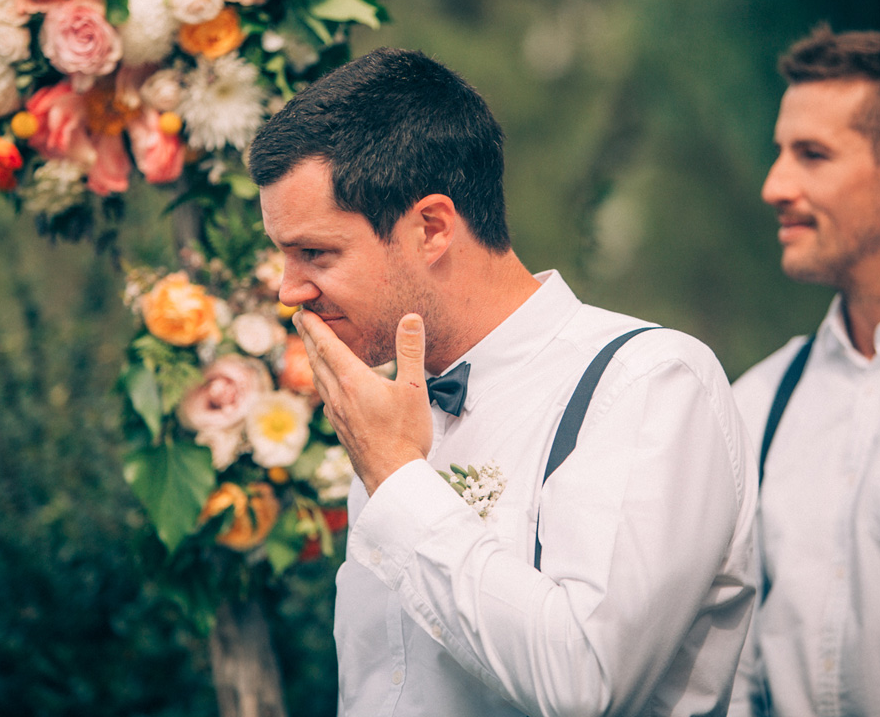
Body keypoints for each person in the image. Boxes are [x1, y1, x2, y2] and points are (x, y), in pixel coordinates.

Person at [249, 47, 757, 716]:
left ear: (431, 228)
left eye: (315, 253)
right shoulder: (391, 406)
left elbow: (584, 681)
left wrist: (400, 479)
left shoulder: (649, 384)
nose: (288, 291)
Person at [729, 26, 880, 716]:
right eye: (780, 154)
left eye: (813, 155)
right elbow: (736, 659)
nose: (775, 186)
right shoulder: (762, 400)